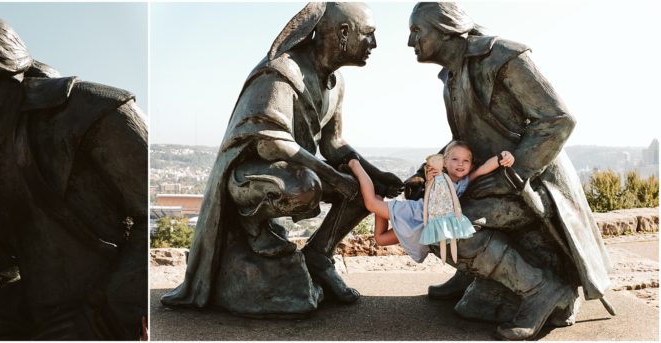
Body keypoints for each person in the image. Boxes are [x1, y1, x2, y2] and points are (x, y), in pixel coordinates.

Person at [162, 2, 404, 313]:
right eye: (368, 34)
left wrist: (375, 175)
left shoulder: (335, 82)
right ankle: (255, 231)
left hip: (295, 171)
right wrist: (333, 178)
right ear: (344, 33)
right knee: (307, 184)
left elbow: (334, 144)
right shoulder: (279, 73)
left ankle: (318, 257)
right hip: (250, 179)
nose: (374, 44)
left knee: (365, 188)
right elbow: (271, 143)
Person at [0, 12, 148, 340]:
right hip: (38, 309)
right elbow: (11, 249)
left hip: (98, 316)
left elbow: (149, 220)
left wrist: (103, 314)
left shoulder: (94, 113)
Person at [405, 2, 610, 340]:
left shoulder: (502, 57)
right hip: (490, 179)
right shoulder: (452, 76)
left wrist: (511, 176)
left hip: (533, 185)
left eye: (417, 32)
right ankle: (476, 274)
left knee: (442, 226)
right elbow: (465, 140)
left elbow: (557, 120)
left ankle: (541, 289)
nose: (411, 42)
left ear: (446, 30)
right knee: (421, 210)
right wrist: (423, 172)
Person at [346, 142, 513, 263]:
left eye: (466, 161)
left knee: (381, 239)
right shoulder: (438, 176)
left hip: (422, 226)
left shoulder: (466, 181)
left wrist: (502, 157)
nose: (460, 164)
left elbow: (484, 167)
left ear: (471, 164)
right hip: (414, 213)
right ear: (445, 162)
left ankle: (380, 195)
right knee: (370, 204)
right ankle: (356, 165)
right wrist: (431, 178)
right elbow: (430, 186)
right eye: (455, 159)